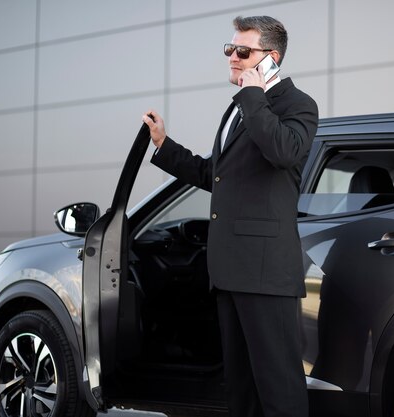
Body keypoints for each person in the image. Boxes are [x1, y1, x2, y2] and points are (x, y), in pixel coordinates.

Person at [142, 15, 319, 417]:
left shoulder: (298, 105)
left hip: (266, 273)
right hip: (229, 271)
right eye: (229, 50)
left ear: (271, 59)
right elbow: (215, 175)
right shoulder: (237, 110)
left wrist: (254, 95)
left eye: (243, 51)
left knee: (279, 390)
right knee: (241, 391)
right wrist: (164, 145)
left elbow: (283, 151)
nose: (233, 58)